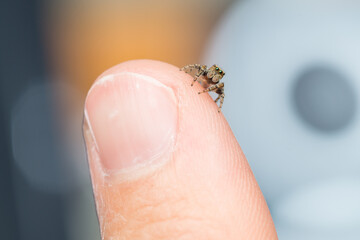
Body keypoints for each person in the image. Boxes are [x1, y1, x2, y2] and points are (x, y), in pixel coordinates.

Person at [83, 59, 278, 239]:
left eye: (217, 76)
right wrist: (189, 76)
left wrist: (214, 101)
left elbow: (219, 88)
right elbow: (197, 69)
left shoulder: (217, 82)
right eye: (214, 74)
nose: (215, 76)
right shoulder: (205, 73)